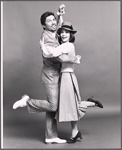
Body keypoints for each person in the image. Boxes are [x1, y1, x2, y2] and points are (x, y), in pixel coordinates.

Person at [13, 5, 80, 144]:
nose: (54, 22)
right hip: (51, 75)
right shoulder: (47, 37)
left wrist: (59, 15)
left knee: (52, 104)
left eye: (54, 20)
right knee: (53, 106)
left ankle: (51, 136)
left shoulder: (53, 33)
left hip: (57, 74)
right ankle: (27, 101)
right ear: (44, 25)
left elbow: (61, 31)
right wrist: (73, 58)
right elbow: (55, 56)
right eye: (50, 21)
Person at [40, 21, 103, 143]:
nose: (63, 34)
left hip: (66, 77)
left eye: (66, 32)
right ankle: (75, 131)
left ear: (71, 34)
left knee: (69, 104)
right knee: (70, 104)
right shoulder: (67, 45)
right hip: (67, 76)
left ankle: (90, 104)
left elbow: (51, 53)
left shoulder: (67, 46)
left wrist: (43, 46)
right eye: (62, 32)